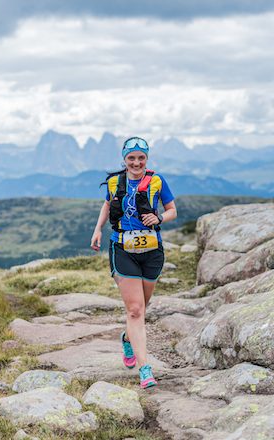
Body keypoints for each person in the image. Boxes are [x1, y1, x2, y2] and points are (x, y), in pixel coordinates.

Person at [90, 136, 177, 389]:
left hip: (152, 251)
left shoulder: (157, 181)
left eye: (141, 158)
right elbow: (107, 204)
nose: (136, 162)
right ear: (124, 159)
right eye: (131, 158)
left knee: (141, 307)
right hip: (122, 247)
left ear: (146, 158)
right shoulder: (115, 182)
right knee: (136, 310)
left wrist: (160, 218)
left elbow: (173, 210)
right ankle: (145, 369)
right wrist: (98, 230)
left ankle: (128, 338)